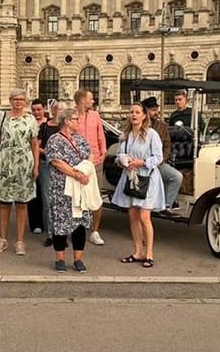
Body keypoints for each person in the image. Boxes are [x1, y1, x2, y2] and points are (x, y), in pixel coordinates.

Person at [111, 102, 164, 268]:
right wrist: (122, 160)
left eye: (137, 112)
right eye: (131, 112)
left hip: (147, 178)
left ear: (143, 115)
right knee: (133, 216)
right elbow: (119, 155)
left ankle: (149, 253)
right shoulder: (126, 135)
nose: (133, 115)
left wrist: (142, 162)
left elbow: (158, 157)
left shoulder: (151, 134)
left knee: (144, 216)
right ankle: (137, 252)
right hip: (130, 177)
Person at [0, 88, 39, 256]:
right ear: (10, 100)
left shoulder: (30, 119)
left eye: (21, 99)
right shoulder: (3, 117)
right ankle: (2, 239)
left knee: (21, 204)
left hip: (24, 165)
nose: (18, 102)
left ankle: (19, 241)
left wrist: (36, 166)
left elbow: (34, 144)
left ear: (25, 102)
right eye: (15, 99)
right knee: (4, 203)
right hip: (5, 164)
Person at [45, 107, 96, 272]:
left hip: (81, 187)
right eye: (75, 119)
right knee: (61, 221)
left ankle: (78, 259)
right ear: (66, 121)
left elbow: (90, 155)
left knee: (79, 222)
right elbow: (56, 162)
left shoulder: (80, 139)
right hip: (62, 188)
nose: (78, 122)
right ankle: (60, 258)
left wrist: (85, 170)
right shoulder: (54, 140)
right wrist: (75, 173)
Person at [73, 89, 107, 246]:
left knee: (96, 197)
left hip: (95, 162)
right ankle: (74, 227)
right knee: (76, 197)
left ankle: (95, 231)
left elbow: (101, 136)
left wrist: (103, 153)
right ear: (82, 101)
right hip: (77, 163)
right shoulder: (72, 116)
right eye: (90, 99)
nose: (93, 101)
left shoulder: (95, 115)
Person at [141, 97, 183, 214]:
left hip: (158, 163)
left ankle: (166, 205)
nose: (156, 113)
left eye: (157, 110)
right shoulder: (140, 126)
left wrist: (161, 160)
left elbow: (167, 146)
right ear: (146, 111)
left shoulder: (162, 126)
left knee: (176, 177)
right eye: (153, 110)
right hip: (142, 163)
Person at [35, 100, 60, 247]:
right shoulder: (44, 127)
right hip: (46, 165)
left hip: (64, 167)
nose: (60, 112)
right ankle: (51, 233)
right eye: (58, 109)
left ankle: (61, 232)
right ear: (53, 111)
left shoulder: (67, 127)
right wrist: (50, 155)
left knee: (62, 200)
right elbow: (36, 147)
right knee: (47, 200)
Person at [27, 99, 49, 235]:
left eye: (39, 109)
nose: (36, 112)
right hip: (31, 161)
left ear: (44, 109)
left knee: (46, 194)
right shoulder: (29, 123)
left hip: (46, 163)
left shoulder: (50, 123)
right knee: (33, 194)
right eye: (34, 110)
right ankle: (36, 223)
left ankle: (47, 223)